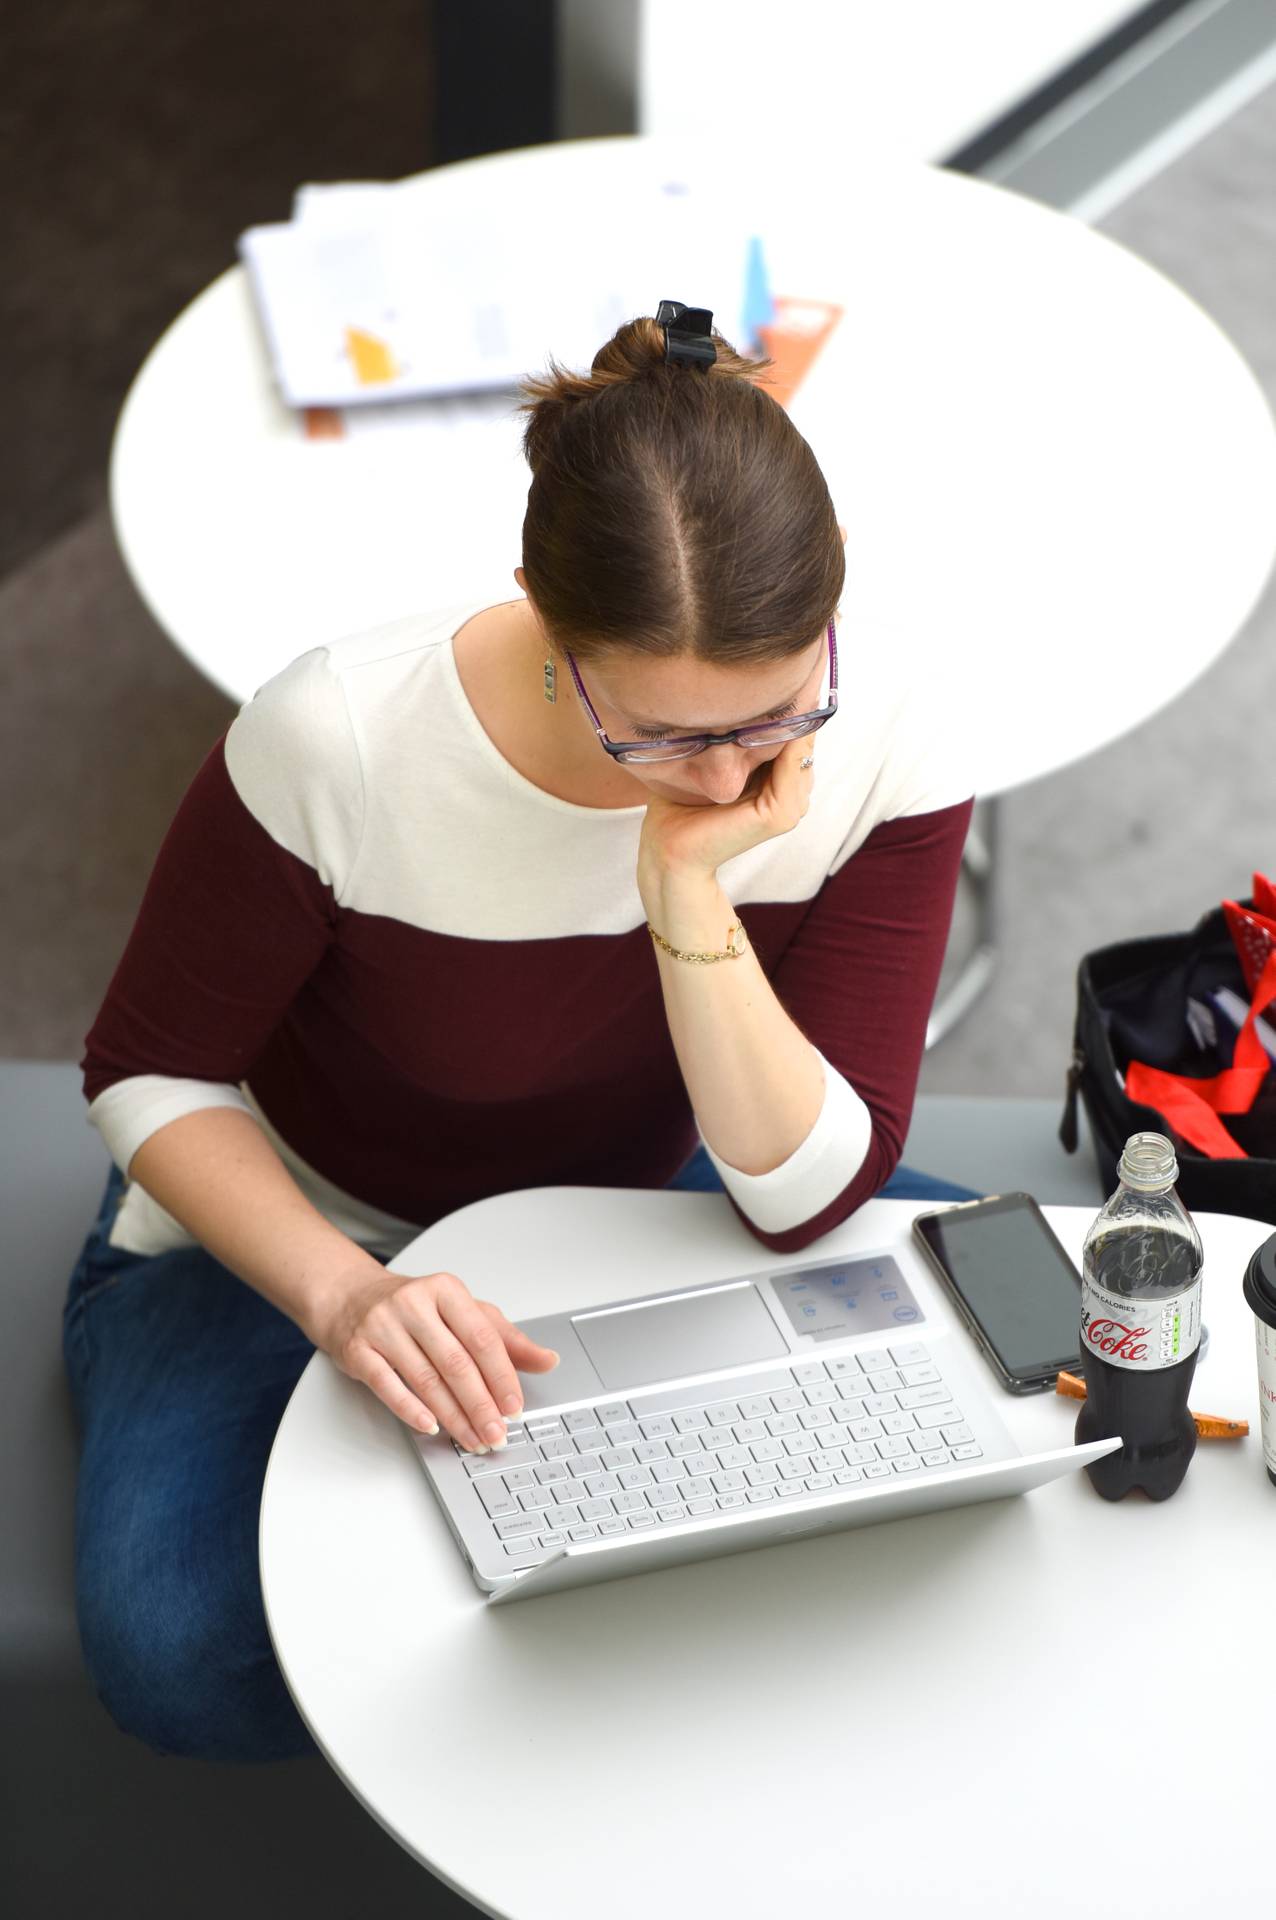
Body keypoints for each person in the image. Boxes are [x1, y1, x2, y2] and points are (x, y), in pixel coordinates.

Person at [65, 306, 977, 1766]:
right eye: (667, 738)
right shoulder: (343, 737)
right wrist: (344, 1295)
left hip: (653, 1194)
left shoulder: (892, 733)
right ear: (550, 627)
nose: (738, 776)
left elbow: (803, 1195)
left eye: (778, 710)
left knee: (1016, 1434)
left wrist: (685, 885)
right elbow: (148, 1070)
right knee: (180, 1651)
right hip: (313, 1219)